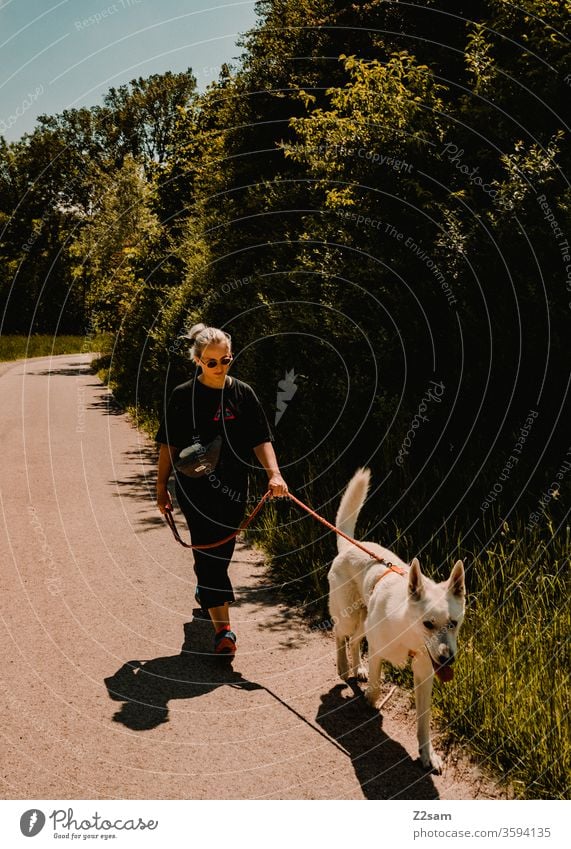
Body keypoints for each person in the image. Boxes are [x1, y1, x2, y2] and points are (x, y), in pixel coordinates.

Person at [155, 323, 288, 656]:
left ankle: (207, 591)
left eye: (225, 360)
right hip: (194, 487)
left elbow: (261, 438)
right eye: (211, 362)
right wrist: (161, 486)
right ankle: (224, 632)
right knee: (207, 551)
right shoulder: (183, 395)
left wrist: (275, 475)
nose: (218, 368)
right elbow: (168, 443)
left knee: (223, 551)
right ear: (198, 360)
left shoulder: (243, 393)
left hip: (234, 486)